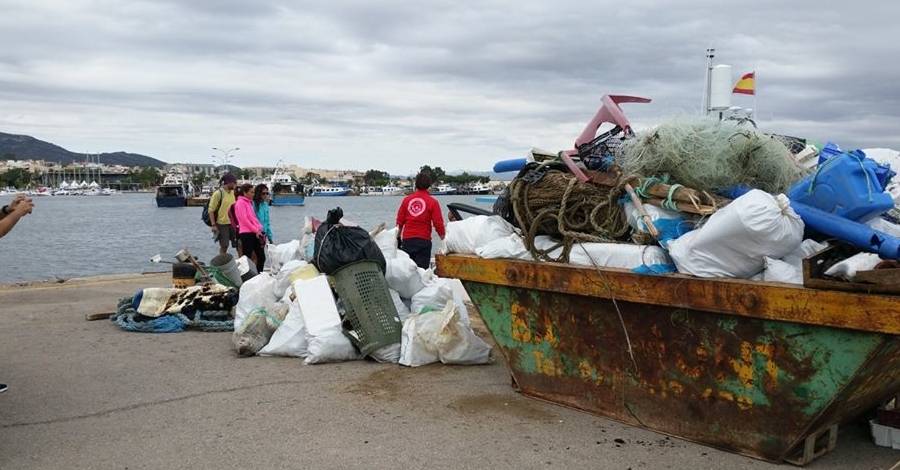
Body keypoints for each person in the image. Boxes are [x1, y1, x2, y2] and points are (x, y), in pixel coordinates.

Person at [396, 172, 445, 269]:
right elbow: (438, 223)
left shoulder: (406, 200)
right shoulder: (433, 202)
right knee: (422, 273)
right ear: (429, 185)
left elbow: (400, 221)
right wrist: (444, 240)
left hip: (407, 241)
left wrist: (397, 238)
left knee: (408, 272)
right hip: (423, 241)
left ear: (416, 184)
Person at [232, 183, 267, 273]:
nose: (253, 194)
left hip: (255, 232)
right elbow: (244, 220)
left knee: (261, 257)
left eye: (254, 192)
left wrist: (259, 228)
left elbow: (253, 218)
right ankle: (247, 276)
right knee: (247, 257)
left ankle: (259, 275)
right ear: (245, 193)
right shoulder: (240, 203)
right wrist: (255, 230)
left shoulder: (249, 203)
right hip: (246, 233)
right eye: (251, 192)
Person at [209, 173, 237, 256]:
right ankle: (222, 262)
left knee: (238, 243)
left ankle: (242, 263)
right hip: (222, 223)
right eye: (234, 182)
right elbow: (211, 210)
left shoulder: (233, 193)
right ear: (228, 182)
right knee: (224, 245)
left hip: (233, 223)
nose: (235, 184)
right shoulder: (218, 193)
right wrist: (213, 225)